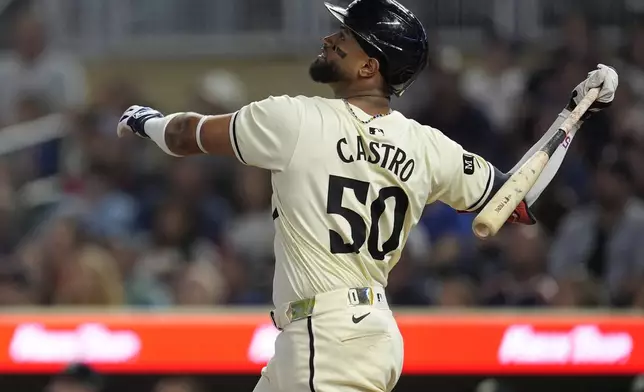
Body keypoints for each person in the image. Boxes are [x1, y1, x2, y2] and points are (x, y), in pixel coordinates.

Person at [116, 1, 618, 391]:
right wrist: (568, 122)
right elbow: (516, 200)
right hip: (368, 333)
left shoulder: (295, 118)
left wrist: (145, 120)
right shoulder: (426, 145)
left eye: (345, 38)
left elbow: (187, 135)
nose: (329, 39)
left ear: (368, 66)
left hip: (326, 335)